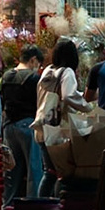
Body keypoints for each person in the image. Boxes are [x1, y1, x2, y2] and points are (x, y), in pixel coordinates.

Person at [33, 40, 86, 198]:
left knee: (49, 171)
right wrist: (87, 105)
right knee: (57, 173)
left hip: (43, 126)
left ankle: (44, 207)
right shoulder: (67, 72)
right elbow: (69, 95)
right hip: (56, 130)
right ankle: (50, 209)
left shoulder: (47, 71)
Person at [0, 44, 47, 206]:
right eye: (38, 64)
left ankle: (8, 205)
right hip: (28, 126)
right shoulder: (33, 79)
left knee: (12, 168)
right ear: (33, 60)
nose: (38, 68)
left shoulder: (6, 76)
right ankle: (33, 204)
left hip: (9, 127)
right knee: (34, 169)